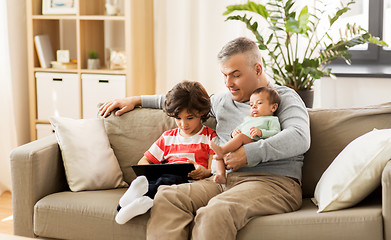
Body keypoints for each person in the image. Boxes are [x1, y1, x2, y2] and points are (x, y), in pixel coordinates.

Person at [99, 37, 310, 240]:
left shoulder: (283, 97)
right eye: (224, 75)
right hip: (224, 180)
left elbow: (299, 137)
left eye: (235, 75)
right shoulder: (222, 101)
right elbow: (182, 100)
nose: (228, 83)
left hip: (273, 183)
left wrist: (248, 154)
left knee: (215, 212)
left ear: (257, 69)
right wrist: (135, 99)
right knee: (167, 197)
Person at [114, 81, 217, 225]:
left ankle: (146, 199)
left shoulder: (210, 137)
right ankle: (126, 206)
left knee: (169, 180)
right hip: (163, 177)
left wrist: (203, 171)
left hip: (187, 182)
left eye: (189, 118)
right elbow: (144, 161)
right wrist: (150, 171)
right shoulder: (168, 137)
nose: (183, 124)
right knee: (155, 180)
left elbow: (212, 170)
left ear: (201, 113)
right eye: (178, 118)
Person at [211, 86, 281, 184]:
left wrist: (261, 133)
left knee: (240, 138)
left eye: (259, 103)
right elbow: (239, 128)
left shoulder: (271, 119)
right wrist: (234, 133)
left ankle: (222, 150)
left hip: (253, 146)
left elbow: (276, 133)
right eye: (251, 105)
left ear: (273, 107)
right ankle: (221, 175)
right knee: (218, 157)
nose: (254, 107)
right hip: (239, 149)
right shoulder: (248, 119)